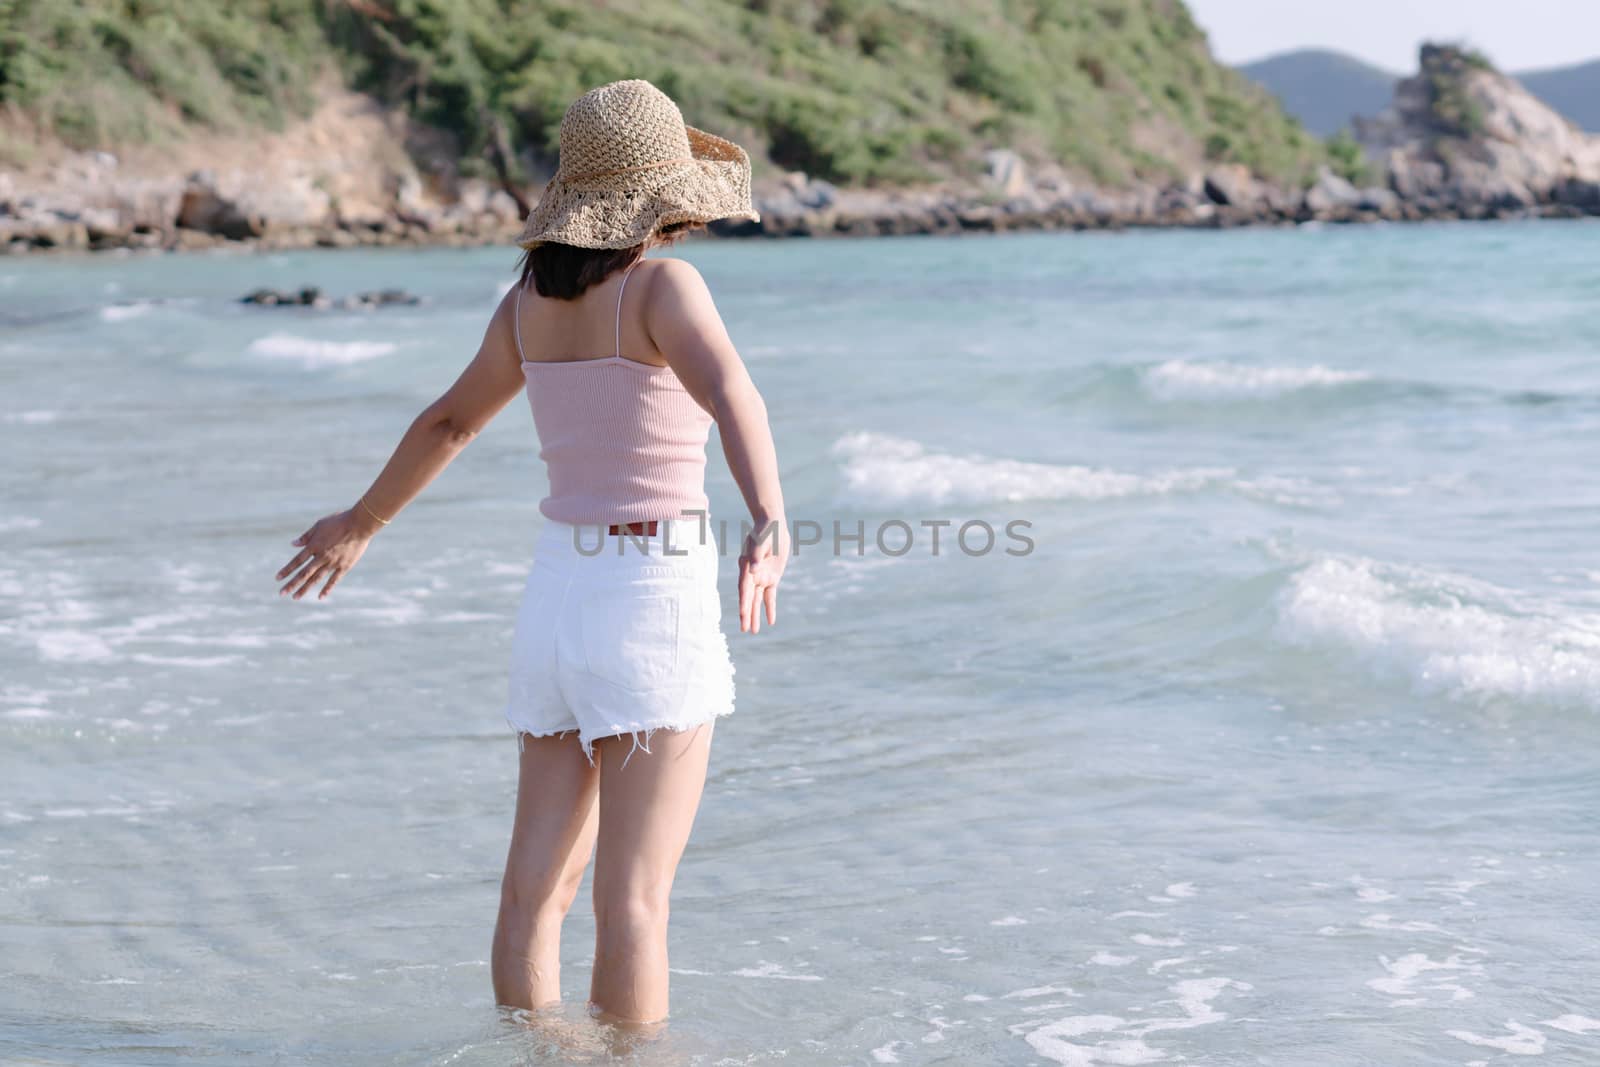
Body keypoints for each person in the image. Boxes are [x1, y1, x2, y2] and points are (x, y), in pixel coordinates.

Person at [274, 79, 787, 1029]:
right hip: (651, 594)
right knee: (633, 902)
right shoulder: (662, 286)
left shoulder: (524, 305)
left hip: (556, 599)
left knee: (531, 895)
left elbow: (450, 421)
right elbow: (735, 395)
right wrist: (769, 517)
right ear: (664, 194)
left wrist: (361, 521)